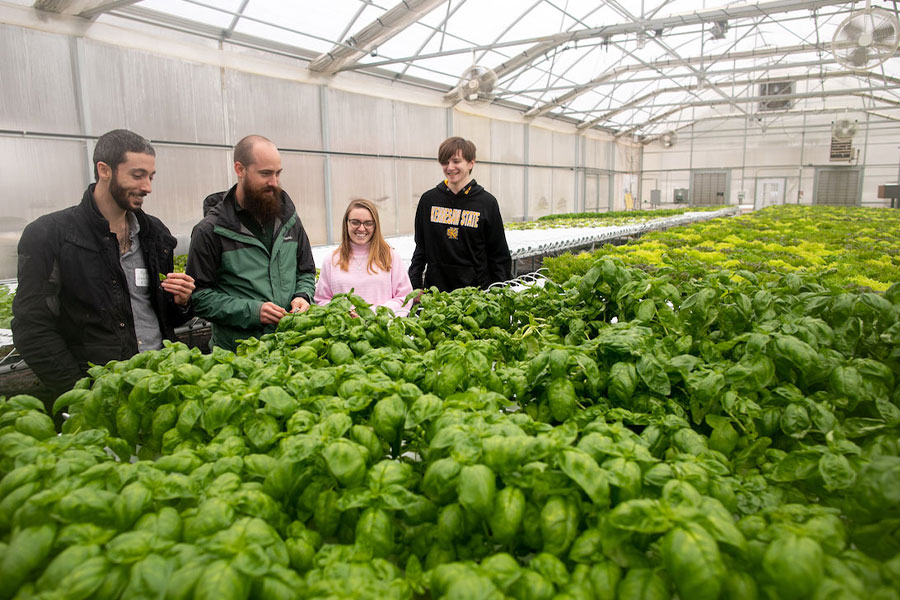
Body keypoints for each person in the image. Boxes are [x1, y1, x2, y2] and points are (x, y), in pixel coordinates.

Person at [11, 129, 195, 397]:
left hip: (162, 379)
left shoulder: (154, 233)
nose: (148, 187)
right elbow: (32, 327)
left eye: (151, 177)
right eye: (137, 175)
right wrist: (80, 392)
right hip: (103, 389)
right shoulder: (51, 235)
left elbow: (161, 314)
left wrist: (181, 302)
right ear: (104, 170)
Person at [187, 135, 316, 351]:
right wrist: (253, 311)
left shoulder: (289, 219)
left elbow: (306, 271)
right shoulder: (211, 230)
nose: (274, 182)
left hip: (290, 346)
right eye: (265, 173)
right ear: (240, 169)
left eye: (277, 173)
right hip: (239, 353)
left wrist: (302, 296)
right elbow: (198, 297)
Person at [408, 136, 512, 292]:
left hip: (476, 294)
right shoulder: (429, 200)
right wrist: (414, 285)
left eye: (456, 161)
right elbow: (421, 248)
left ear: (471, 163)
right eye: (445, 162)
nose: (450, 167)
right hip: (436, 294)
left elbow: (498, 254)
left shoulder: (486, 202)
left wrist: (499, 291)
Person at [315, 199, 413, 316]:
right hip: (345, 331)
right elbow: (322, 300)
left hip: (381, 330)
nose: (361, 228)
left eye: (368, 223)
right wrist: (345, 314)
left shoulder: (389, 256)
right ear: (346, 224)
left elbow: (404, 297)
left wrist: (374, 313)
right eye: (355, 222)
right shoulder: (332, 260)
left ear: (375, 225)